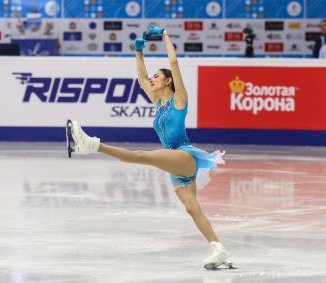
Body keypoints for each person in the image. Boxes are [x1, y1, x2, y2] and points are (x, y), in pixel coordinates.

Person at [66, 24, 233, 270]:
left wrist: (165, 35)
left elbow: (174, 62)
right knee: (191, 208)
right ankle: (219, 249)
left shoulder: (179, 99)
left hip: (184, 154)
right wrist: (138, 54)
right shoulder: (158, 102)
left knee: (139, 156)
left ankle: (91, 145)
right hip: (175, 162)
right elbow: (141, 79)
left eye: (158, 77)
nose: (153, 79)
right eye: (154, 77)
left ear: (168, 82)